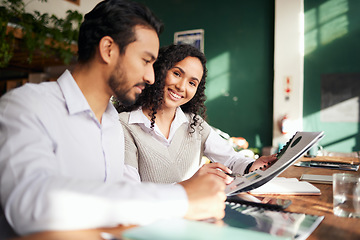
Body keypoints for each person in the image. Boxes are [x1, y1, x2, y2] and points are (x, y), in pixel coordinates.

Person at [0, 0, 226, 236]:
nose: (151, 77)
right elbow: (32, 204)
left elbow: (121, 207)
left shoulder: (111, 124)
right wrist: (182, 199)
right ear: (108, 49)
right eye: (146, 61)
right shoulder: (26, 105)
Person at [117, 44, 277, 184]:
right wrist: (190, 185)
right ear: (159, 71)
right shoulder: (125, 125)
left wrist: (251, 166)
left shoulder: (195, 124)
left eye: (192, 83)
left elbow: (231, 159)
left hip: (194, 214)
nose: (181, 86)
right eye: (177, 74)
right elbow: (130, 192)